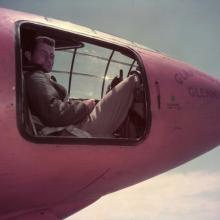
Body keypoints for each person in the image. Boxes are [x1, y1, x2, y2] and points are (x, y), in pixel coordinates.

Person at [24, 36, 141, 137]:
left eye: (52, 55)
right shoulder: (35, 76)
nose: (49, 59)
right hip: (74, 128)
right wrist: (85, 106)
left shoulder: (38, 77)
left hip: (71, 126)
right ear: (29, 55)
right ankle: (139, 77)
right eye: (43, 53)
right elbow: (54, 113)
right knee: (131, 83)